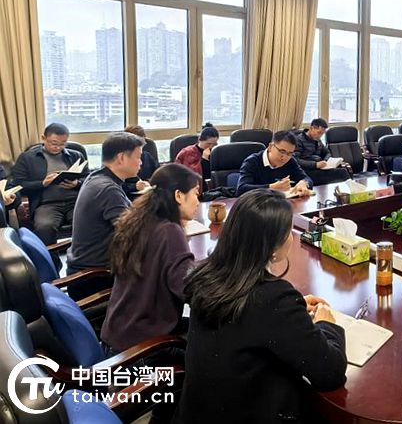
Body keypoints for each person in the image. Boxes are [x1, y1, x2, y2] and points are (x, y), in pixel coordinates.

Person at [174, 190, 347, 423]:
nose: (291, 238)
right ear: (272, 246)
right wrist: (326, 323)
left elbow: (250, 321)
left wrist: (292, 311)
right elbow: (330, 372)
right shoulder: (272, 299)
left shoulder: (207, 275)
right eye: (288, 231)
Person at [101, 163, 199, 353]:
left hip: (119, 337)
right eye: (195, 193)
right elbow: (189, 290)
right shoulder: (169, 231)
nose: (198, 200)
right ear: (179, 196)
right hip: (143, 349)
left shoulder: (139, 220)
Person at [67, 132, 144, 300]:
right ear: (121, 158)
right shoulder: (108, 189)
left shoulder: (97, 177)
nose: (141, 162)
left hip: (86, 266)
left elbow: (130, 218)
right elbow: (134, 232)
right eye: (138, 157)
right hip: (95, 277)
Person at [11, 123, 86, 244]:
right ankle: (51, 256)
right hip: (47, 204)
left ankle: (83, 254)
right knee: (44, 227)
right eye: (54, 143)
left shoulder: (76, 155)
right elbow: (17, 184)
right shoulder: (27, 158)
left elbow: (88, 178)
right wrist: (42, 183)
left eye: (63, 144)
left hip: (75, 202)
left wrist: (77, 183)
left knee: (89, 222)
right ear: (43, 138)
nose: (58, 147)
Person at [235, 130, 313, 198]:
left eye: (289, 153)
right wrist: (270, 187)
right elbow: (241, 189)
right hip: (257, 205)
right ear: (270, 147)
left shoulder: (290, 161)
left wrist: (304, 183)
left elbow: (307, 179)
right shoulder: (252, 162)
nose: (285, 157)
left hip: (280, 204)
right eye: (282, 151)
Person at [293, 118, 350, 186]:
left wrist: (325, 161)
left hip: (320, 168)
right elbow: (295, 160)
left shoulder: (317, 139)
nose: (320, 136)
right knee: (342, 173)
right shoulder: (298, 140)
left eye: (322, 134)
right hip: (307, 171)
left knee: (343, 170)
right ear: (311, 128)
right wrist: (315, 164)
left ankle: (349, 190)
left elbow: (327, 152)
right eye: (319, 132)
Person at [175, 123, 218, 193]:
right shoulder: (188, 152)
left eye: (214, 144)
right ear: (200, 140)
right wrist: (204, 159)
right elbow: (193, 175)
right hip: (191, 189)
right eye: (208, 144)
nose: (211, 147)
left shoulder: (215, 152)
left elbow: (210, 176)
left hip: (207, 189)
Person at [121, 125, 158, 197]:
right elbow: (117, 185)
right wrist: (135, 186)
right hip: (129, 197)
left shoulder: (147, 156)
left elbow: (157, 174)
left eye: (142, 143)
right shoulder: (120, 160)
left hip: (149, 194)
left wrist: (150, 182)